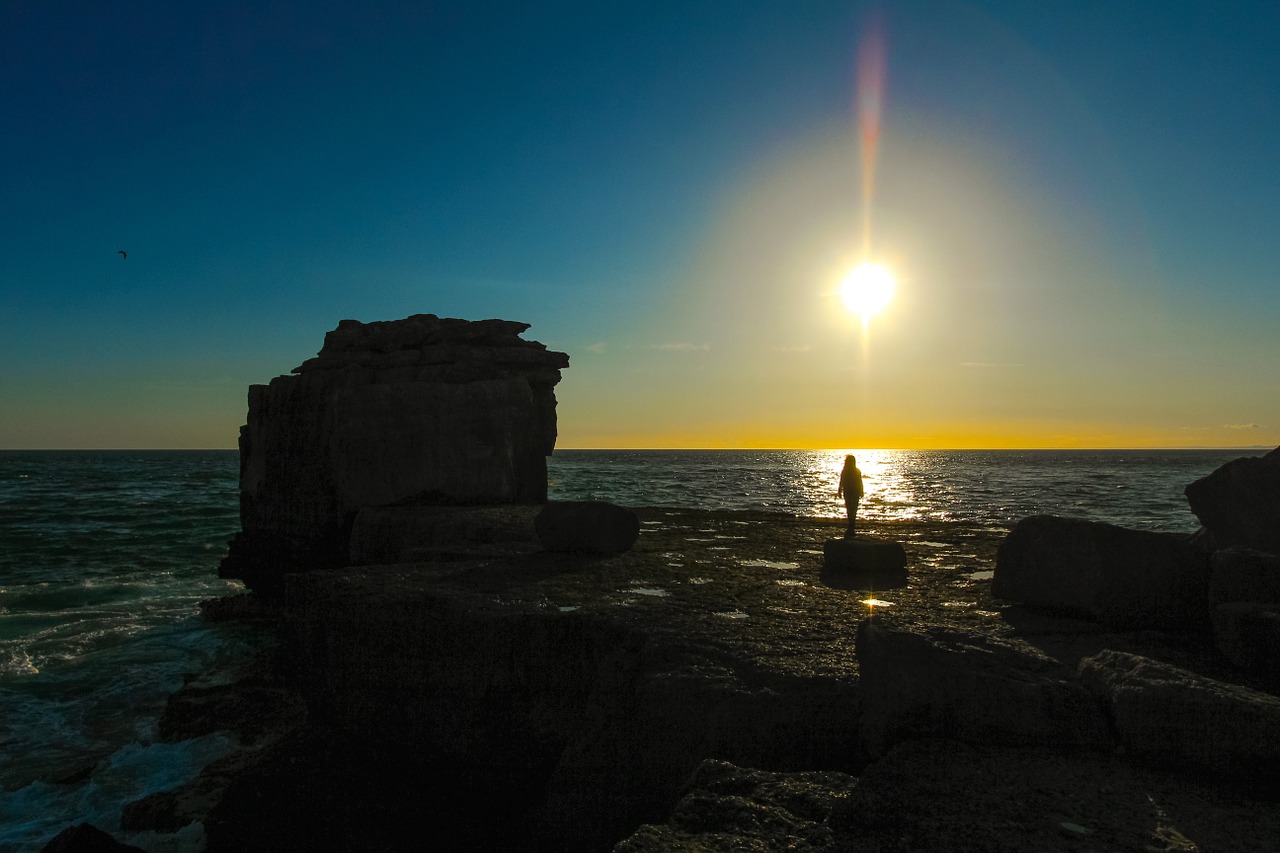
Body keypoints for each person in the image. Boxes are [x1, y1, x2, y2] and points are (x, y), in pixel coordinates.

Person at [836, 454, 864, 537]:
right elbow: (842, 482)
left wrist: (839, 491)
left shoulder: (851, 471)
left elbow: (859, 482)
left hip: (851, 492)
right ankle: (851, 526)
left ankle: (851, 526)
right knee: (852, 509)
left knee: (851, 509)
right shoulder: (848, 471)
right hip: (851, 492)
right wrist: (839, 491)